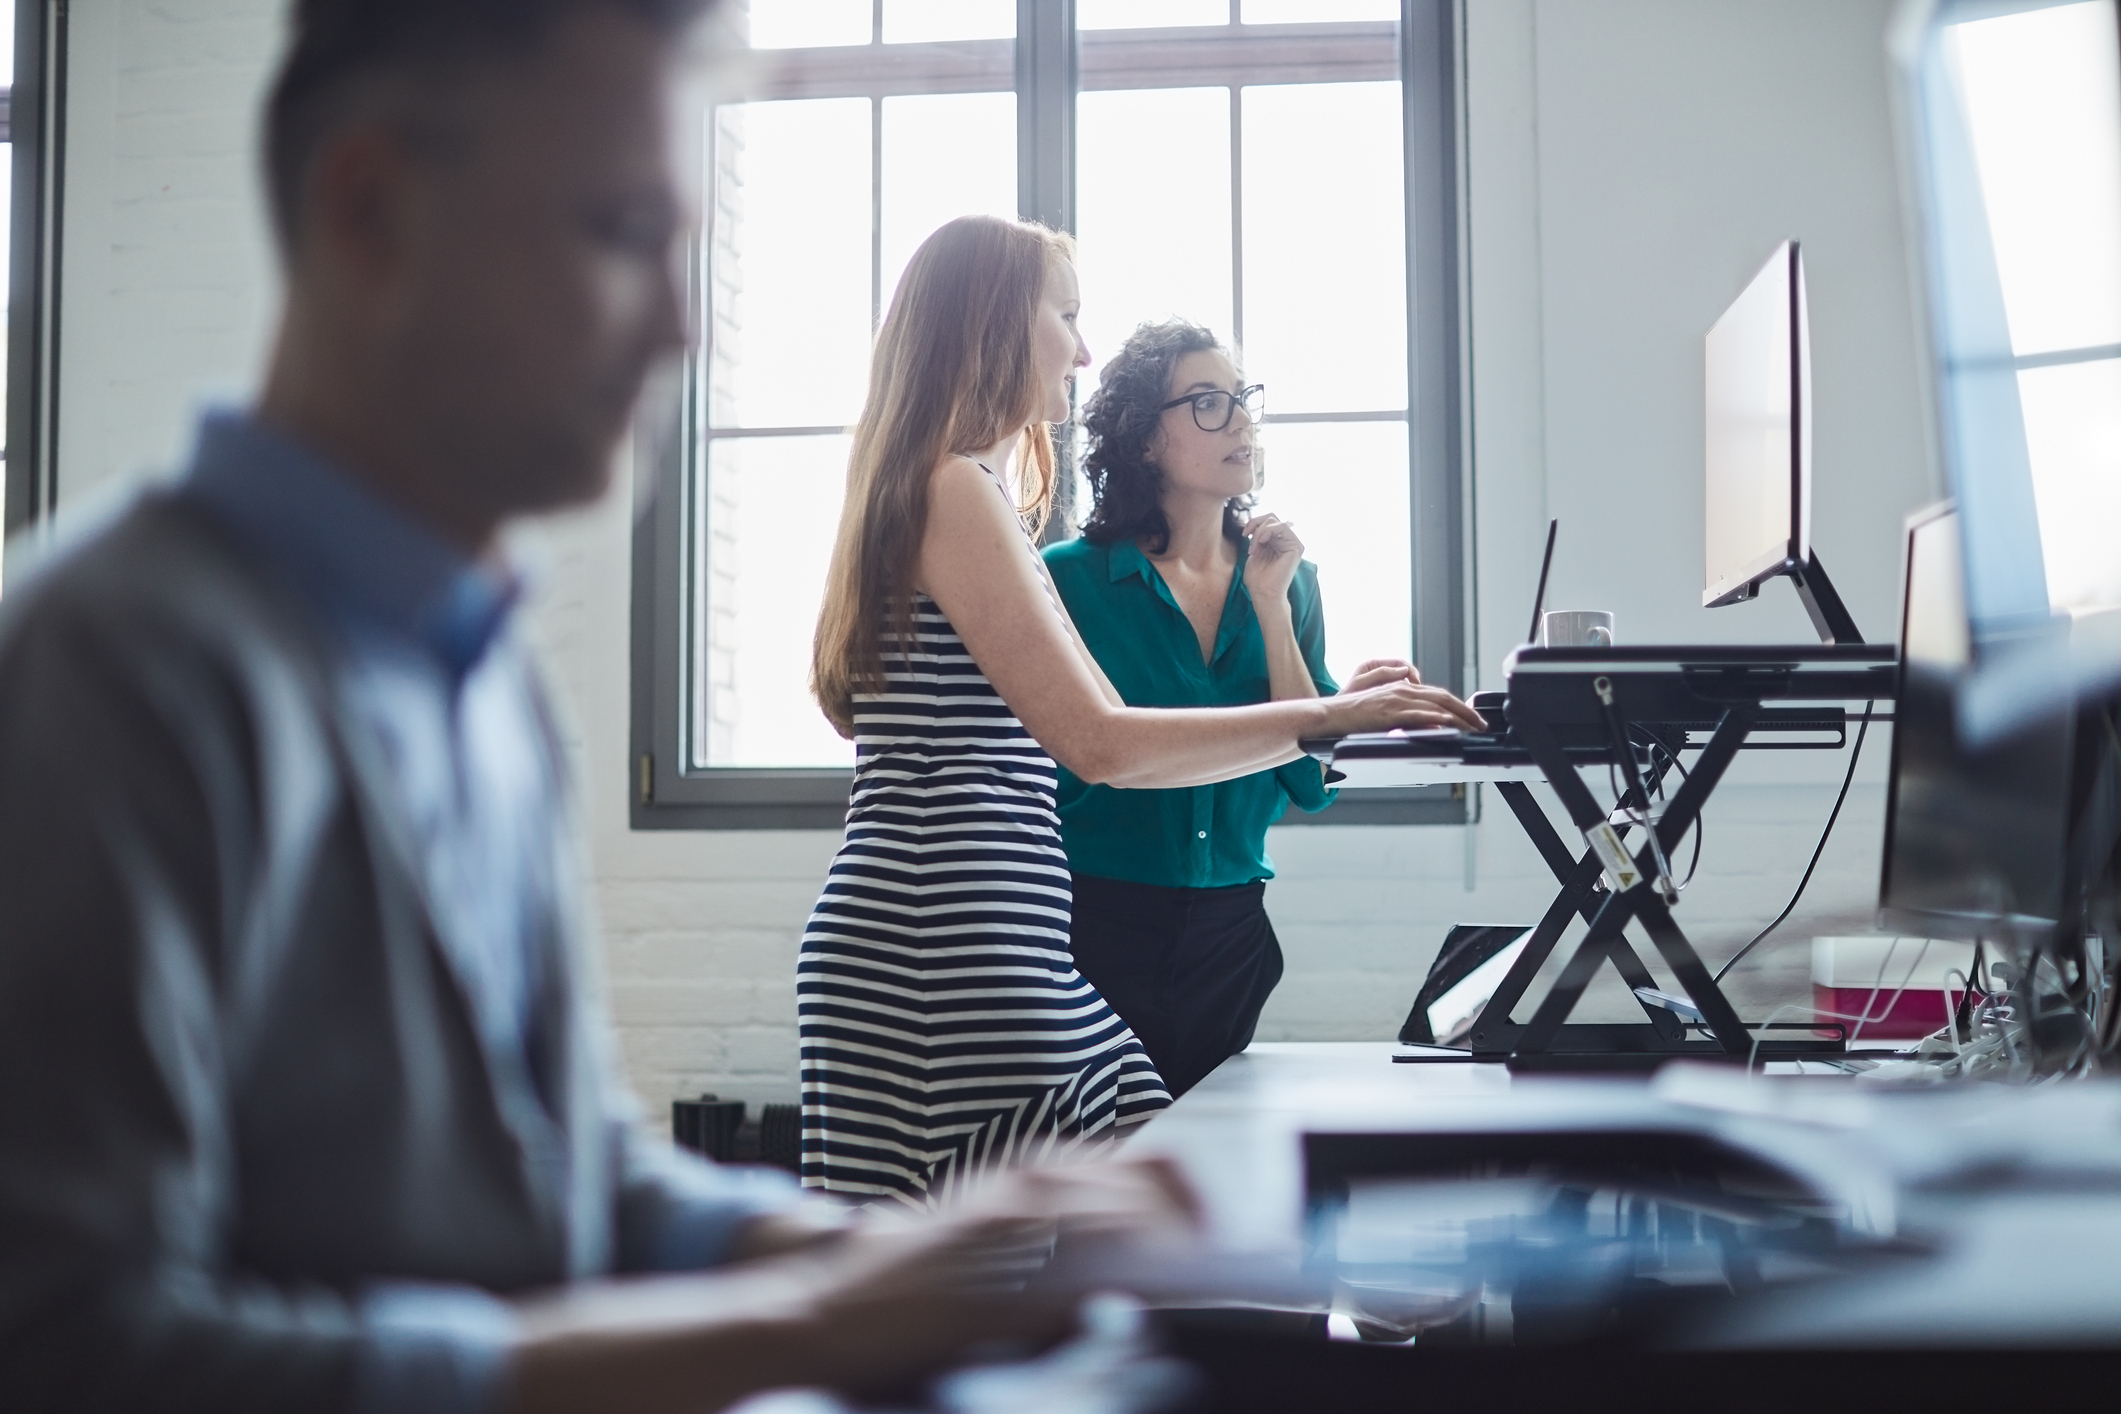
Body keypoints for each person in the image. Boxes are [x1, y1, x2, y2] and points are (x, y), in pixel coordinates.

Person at [0, 4, 1199, 1412]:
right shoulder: (116, 671)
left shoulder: (483, 676)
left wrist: (875, 1257)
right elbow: (70, 1346)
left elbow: (571, 1176)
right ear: (372, 212)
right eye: (624, 231)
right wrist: (799, 1329)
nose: (684, 323)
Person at [801, 220, 1485, 1204]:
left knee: (1152, 1224)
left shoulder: (969, 492)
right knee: (975, 1298)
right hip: (937, 950)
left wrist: (1323, 709)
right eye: (1066, 316)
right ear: (995, 322)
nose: (1082, 351)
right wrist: (1330, 717)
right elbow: (1103, 743)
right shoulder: (955, 488)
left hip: (992, 939)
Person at [1043, 320, 1435, 1098]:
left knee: (1203, 1180)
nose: (1242, 422)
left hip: (1232, 931)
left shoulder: (1289, 579)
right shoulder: (1065, 581)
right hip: (1094, 924)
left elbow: (1308, 783)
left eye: (1242, 399)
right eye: (1208, 403)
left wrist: (1271, 605)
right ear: (1144, 441)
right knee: (1097, 1176)